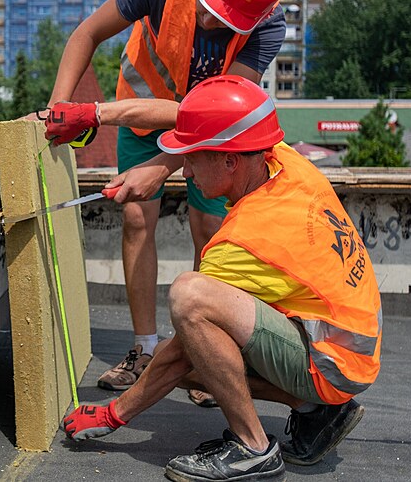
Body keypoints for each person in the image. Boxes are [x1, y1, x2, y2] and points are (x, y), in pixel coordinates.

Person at [60, 75, 382, 482]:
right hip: (346, 346)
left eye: (192, 159)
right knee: (204, 361)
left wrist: (113, 413)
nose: (187, 173)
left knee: (190, 299)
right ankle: (317, 410)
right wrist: (109, 125)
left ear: (230, 161)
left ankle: (252, 448)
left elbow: (181, 356)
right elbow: (196, 116)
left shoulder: (244, 239)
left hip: (333, 362)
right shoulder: (280, 157)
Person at [39, 0, 291, 396]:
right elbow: (87, 33)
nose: (208, 22)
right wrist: (61, 109)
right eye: (208, 8)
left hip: (214, 127)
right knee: (136, 216)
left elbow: (215, 113)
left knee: (210, 230)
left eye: (224, 21)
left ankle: (203, 353)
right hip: (140, 108)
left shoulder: (268, 26)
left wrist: (164, 162)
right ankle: (144, 348)